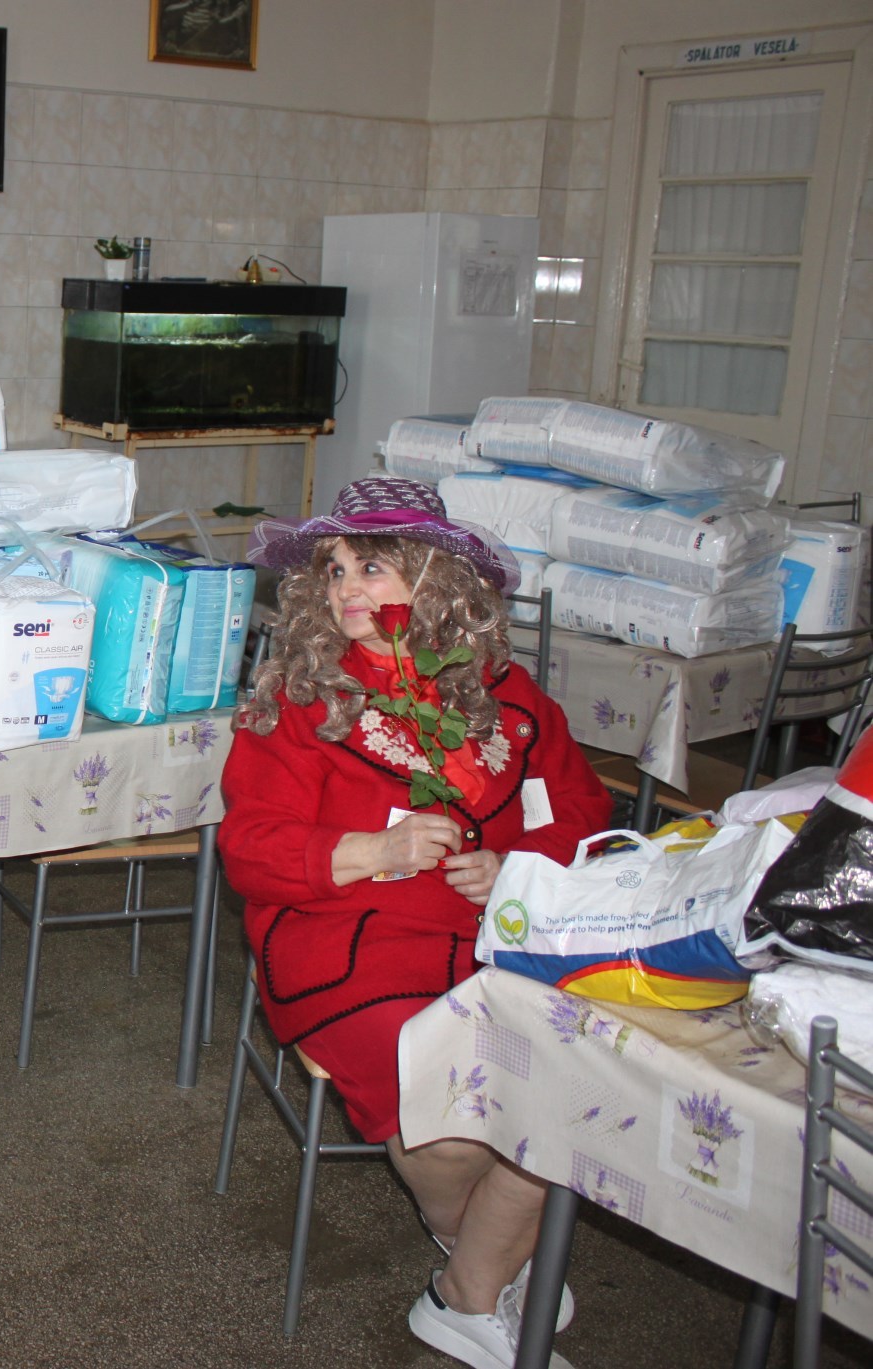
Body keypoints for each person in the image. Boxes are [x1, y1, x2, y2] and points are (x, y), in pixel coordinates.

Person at [217, 476, 610, 1369]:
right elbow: (250, 846)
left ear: (436, 580)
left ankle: (467, 1283)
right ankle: (480, 1249)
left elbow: (582, 809)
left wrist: (519, 866)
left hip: (499, 937)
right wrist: (371, 852)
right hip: (343, 936)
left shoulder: (509, 698)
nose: (345, 588)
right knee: (445, 1084)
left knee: (580, 1065)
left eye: (371, 567)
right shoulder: (300, 699)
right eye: (333, 569)